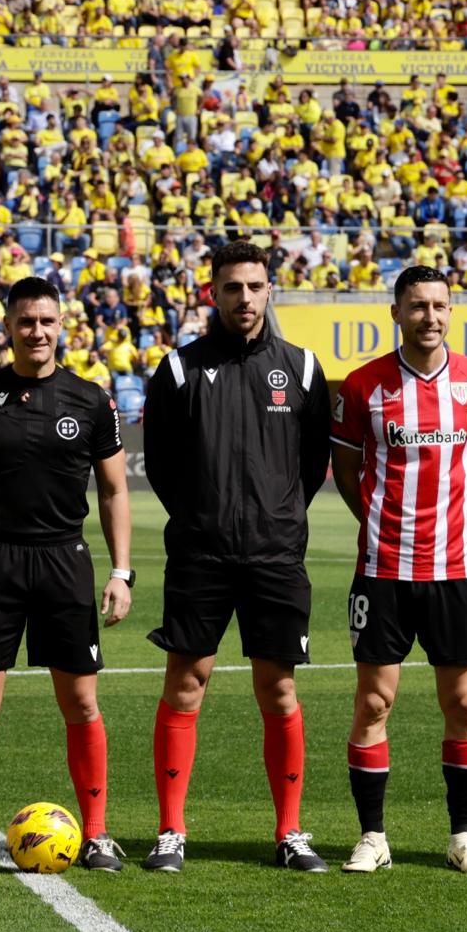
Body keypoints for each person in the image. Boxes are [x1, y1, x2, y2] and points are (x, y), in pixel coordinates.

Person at [0, 276, 135, 873]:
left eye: (46, 322)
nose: (36, 332)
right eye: (26, 322)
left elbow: (116, 489)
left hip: (65, 560)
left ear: (60, 326)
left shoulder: (90, 400)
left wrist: (121, 571)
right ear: (8, 329)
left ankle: (95, 833)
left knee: (81, 702)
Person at [140, 240, 332, 873]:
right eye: (231, 287)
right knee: (186, 684)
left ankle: (290, 831)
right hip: (200, 554)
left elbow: (311, 465)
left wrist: (278, 515)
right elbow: (162, 465)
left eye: (254, 287)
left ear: (269, 290)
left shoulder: (302, 369)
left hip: (277, 556)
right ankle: (171, 830)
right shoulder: (178, 369)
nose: (243, 298)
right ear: (212, 292)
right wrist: (203, 515)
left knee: (277, 689)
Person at [329, 265, 467, 875]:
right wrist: (382, 521)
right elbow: (348, 475)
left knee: (463, 704)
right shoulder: (361, 387)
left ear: (451, 311)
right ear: (396, 313)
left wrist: (455, 515)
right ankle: (373, 836)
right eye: (417, 306)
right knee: (374, 703)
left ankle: (463, 836)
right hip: (382, 570)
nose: (429, 316)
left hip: (456, 570)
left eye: (439, 305)